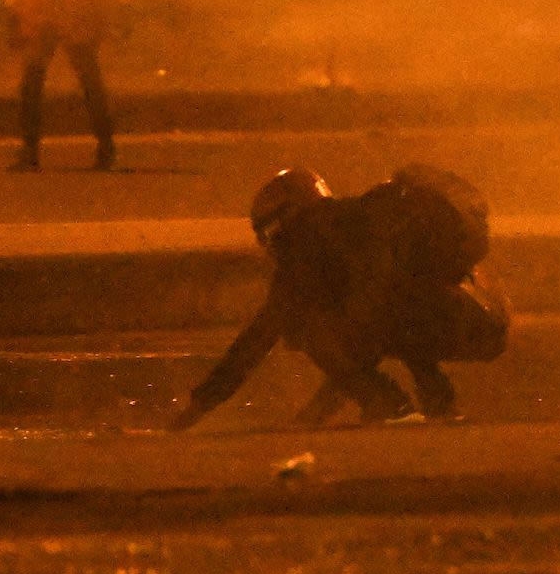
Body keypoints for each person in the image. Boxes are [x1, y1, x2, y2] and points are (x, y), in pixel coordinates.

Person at [169, 165, 509, 430]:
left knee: (307, 325)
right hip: (481, 320)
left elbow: (260, 336)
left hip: (444, 318)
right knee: (388, 311)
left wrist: (197, 408)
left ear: (286, 218)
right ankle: (439, 404)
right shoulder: (363, 223)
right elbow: (378, 322)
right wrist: (314, 414)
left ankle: (394, 408)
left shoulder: (307, 242)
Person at [4, 0, 119, 171]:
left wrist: (12, 1)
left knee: (36, 78)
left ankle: (31, 150)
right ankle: (105, 145)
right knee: (84, 75)